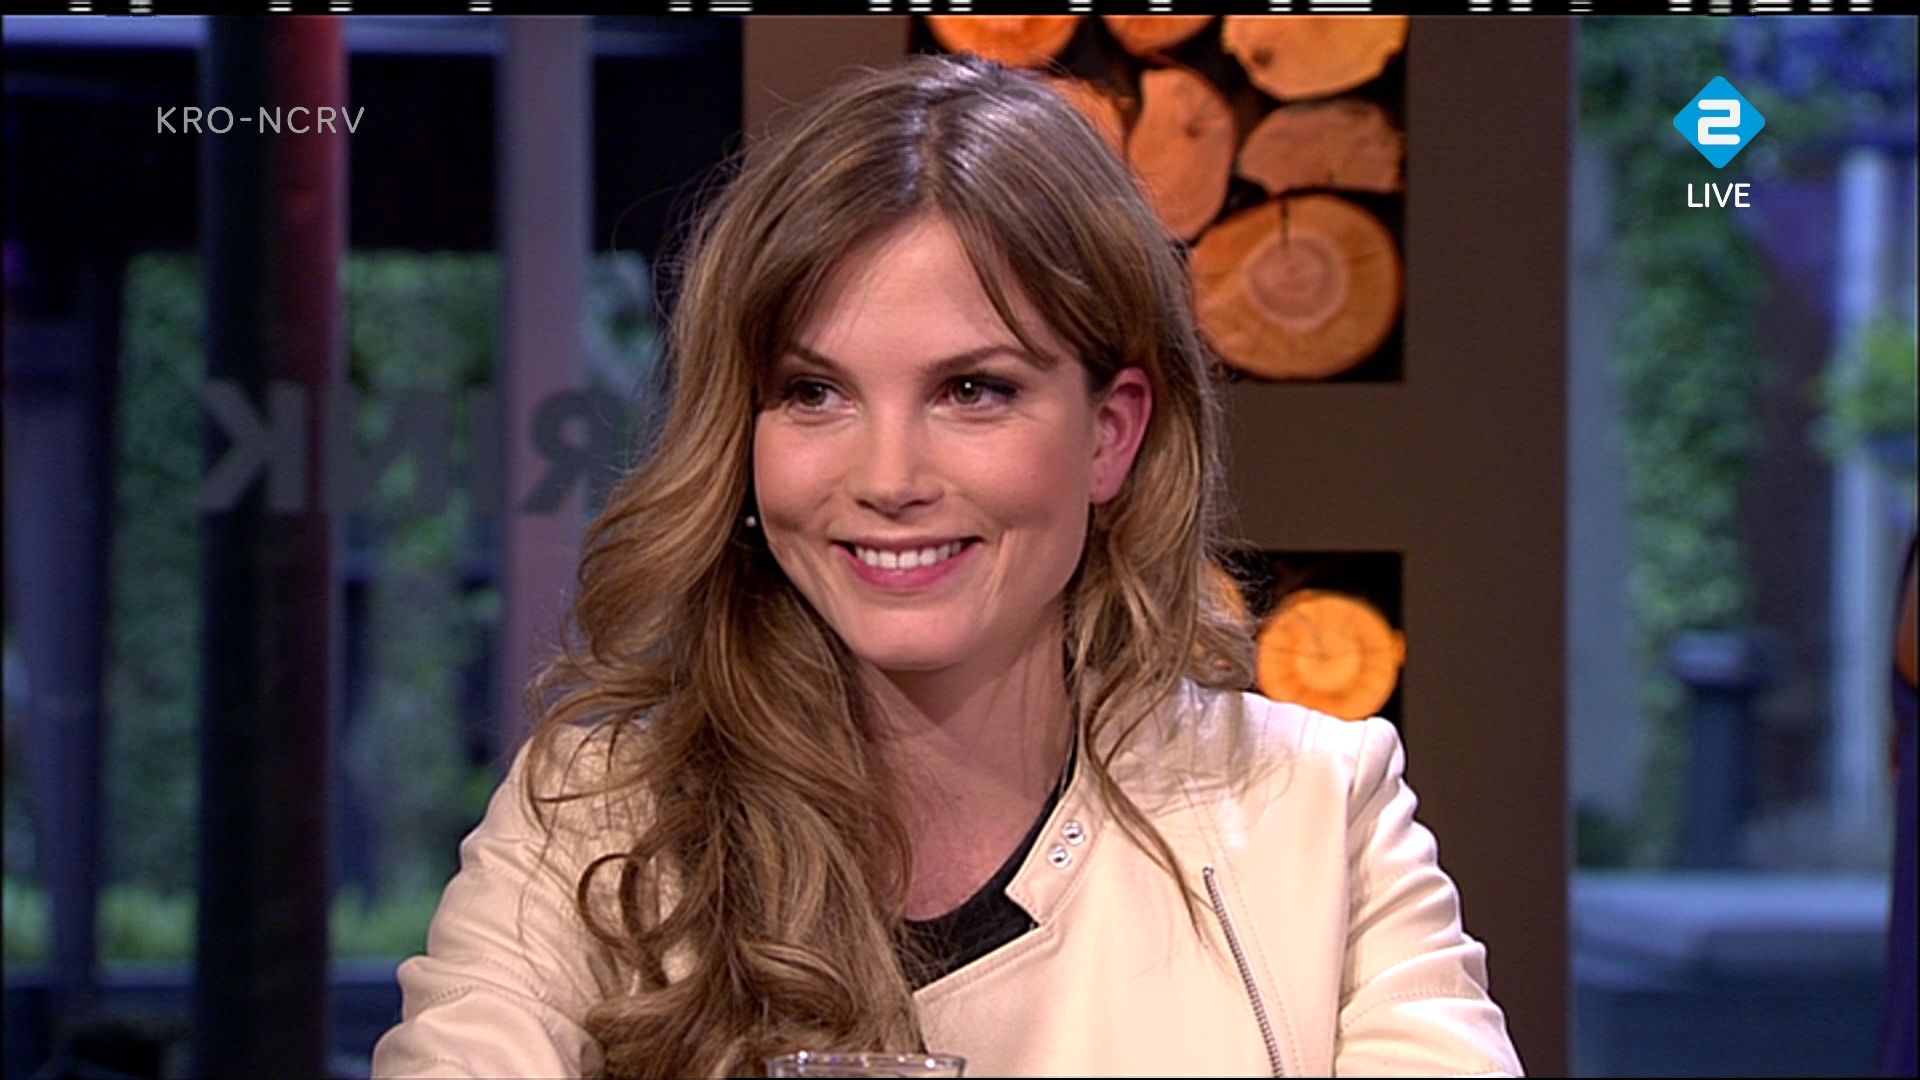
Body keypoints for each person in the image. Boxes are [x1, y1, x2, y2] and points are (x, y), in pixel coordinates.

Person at [371, 53, 1522, 1079]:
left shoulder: (1316, 815)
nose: (888, 477)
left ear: (1111, 433)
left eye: (973, 390)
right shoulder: (594, 816)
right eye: (813, 393)